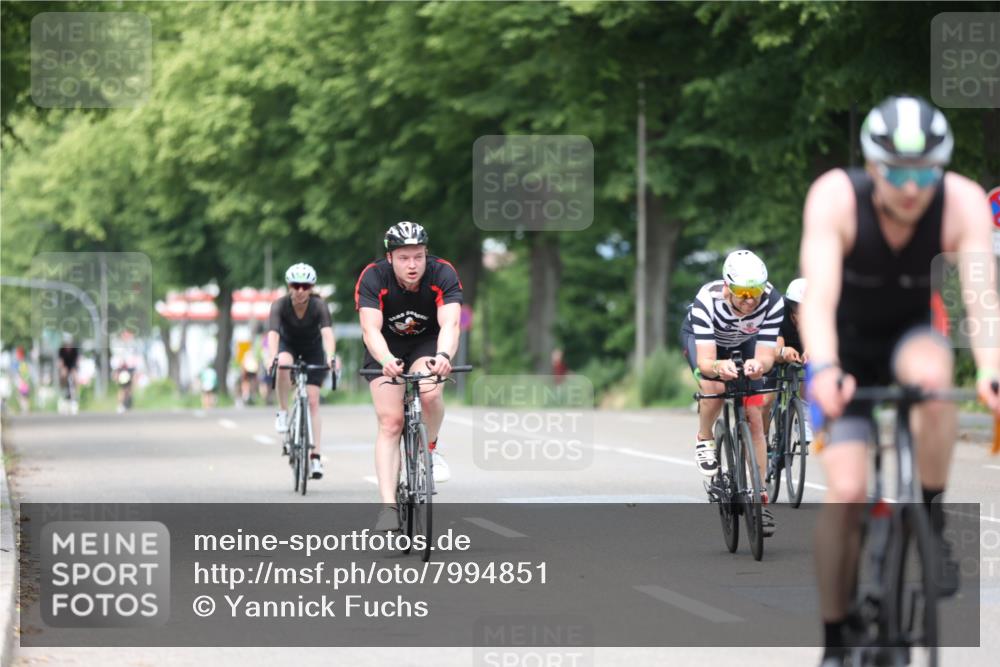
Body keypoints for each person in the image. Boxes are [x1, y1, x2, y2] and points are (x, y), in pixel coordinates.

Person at [799, 95, 1000, 666]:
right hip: (845, 345)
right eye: (897, 173)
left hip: (912, 338)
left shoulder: (961, 201)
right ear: (871, 166)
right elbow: (819, 297)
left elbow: (983, 300)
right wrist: (827, 368)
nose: (912, 188)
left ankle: (929, 517)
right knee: (846, 492)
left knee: (934, 379)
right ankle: (836, 635)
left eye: (925, 172)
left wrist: (990, 369)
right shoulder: (836, 197)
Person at [356, 221, 462, 532]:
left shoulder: (443, 273)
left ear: (427, 254)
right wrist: (386, 359)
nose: (413, 265)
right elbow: (369, 329)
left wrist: (444, 357)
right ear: (390, 258)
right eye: (404, 258)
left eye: (418, 256)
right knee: (391, 422)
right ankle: (388, 506)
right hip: (384, 347)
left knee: (429, 392)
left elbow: (451, 325)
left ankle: (430, 449)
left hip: (427, 343)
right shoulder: (374, 277)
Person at [680, 249, 783, 535]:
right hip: (708, 343)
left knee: (755, 414)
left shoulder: (773, 301)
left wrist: (757, 365)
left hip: (747, 341)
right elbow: (705, 361)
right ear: (727, 287)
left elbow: (765, 355)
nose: (750, 300)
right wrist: (717, 366)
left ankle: (759, 500)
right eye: (742, 292)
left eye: (756, 292)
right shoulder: (707, 301)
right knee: (714, 387)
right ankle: (704, 436)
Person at [265, 263, 336, 480]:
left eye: (305, 286)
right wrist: (271, 357)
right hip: (289, 347)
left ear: (311, 287)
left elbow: (327, 334)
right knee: (283, 363)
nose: (300, 291)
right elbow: (274, 335)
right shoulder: (279, 305)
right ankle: (284, 411)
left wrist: (331, 356)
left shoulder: (319, 305)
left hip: (313, 351)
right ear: (289, 286)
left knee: (313, 401)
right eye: (296, 285)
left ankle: (315, 456)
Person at [761, 278, 812, 440]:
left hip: (803, 346)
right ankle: (762, 437)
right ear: (791, 306)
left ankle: (803, 417)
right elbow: (774, 349)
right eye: (799, 308)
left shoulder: (816, 316)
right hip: (779, 347)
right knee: (766, 399)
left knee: (814, 366)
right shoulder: (779, 312)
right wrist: (783, 351)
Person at [57, 335, 80, 414]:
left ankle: (75, 397)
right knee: (63, 374)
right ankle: (63, 391)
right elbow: (60, 362)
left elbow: (77, 361)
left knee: (75, 377)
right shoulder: (61, 350)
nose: (68, 346)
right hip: (65, 366)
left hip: (72, 366)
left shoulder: (74, 350)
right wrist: (63, 369)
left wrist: (75, 370)